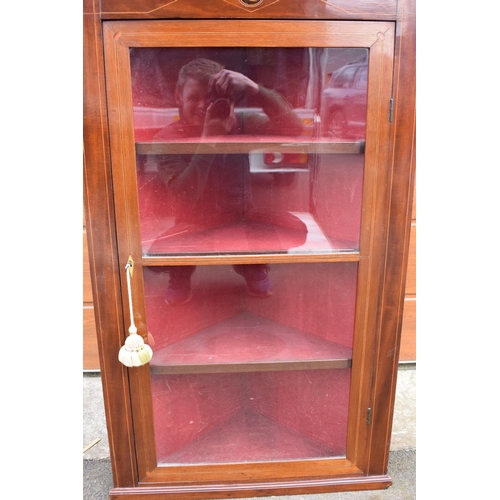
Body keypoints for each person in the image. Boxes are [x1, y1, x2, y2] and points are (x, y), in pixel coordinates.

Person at [148, 58, 306, 305]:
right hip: (192, 223)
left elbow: (294, 128)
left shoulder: (240, 124)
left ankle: (251, 262)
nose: (203, 105)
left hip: (241, 216)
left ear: (229, 100)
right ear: (178, 96)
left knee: (298, 231)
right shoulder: (166, 137)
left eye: (212, 98)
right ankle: (181, 271)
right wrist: (210, 140)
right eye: (194, 98)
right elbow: (184, 194)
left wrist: (254, 88)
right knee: (158, 255)